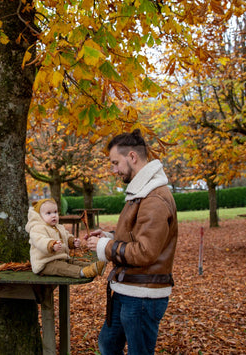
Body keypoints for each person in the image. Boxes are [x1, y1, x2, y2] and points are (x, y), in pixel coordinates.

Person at [84, 129, 178, 355]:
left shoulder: (154, 197)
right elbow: (136, 236)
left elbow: (145, 252)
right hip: (127, 288)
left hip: (143, 295)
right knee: (108, 344)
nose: (114, 169)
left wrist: (105, 248)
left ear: (132, 157)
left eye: (116, 162)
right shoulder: (141, 191)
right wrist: (108, 237)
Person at [26, 198, 106, 279]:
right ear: (39, 216)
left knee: (72, 262)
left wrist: (72, 241)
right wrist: (52, 245)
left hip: (61, 258)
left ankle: (93, 267)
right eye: (48, 213)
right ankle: (83, 272)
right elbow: (40, 241)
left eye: (55, 212)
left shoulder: (59, 227)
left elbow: (66, 236)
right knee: (63, 268)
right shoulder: (37, 228)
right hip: (45, 263)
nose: (53, 215)